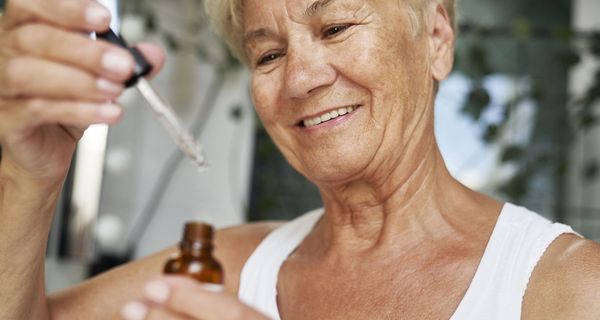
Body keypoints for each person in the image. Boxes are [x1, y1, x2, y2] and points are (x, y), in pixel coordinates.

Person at [0, 0, 599, 319]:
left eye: (335, 25)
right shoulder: (221, 268)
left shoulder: (569, 289)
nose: (302, 79)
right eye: (267, 56)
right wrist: (30, 177)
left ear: (436, 39)